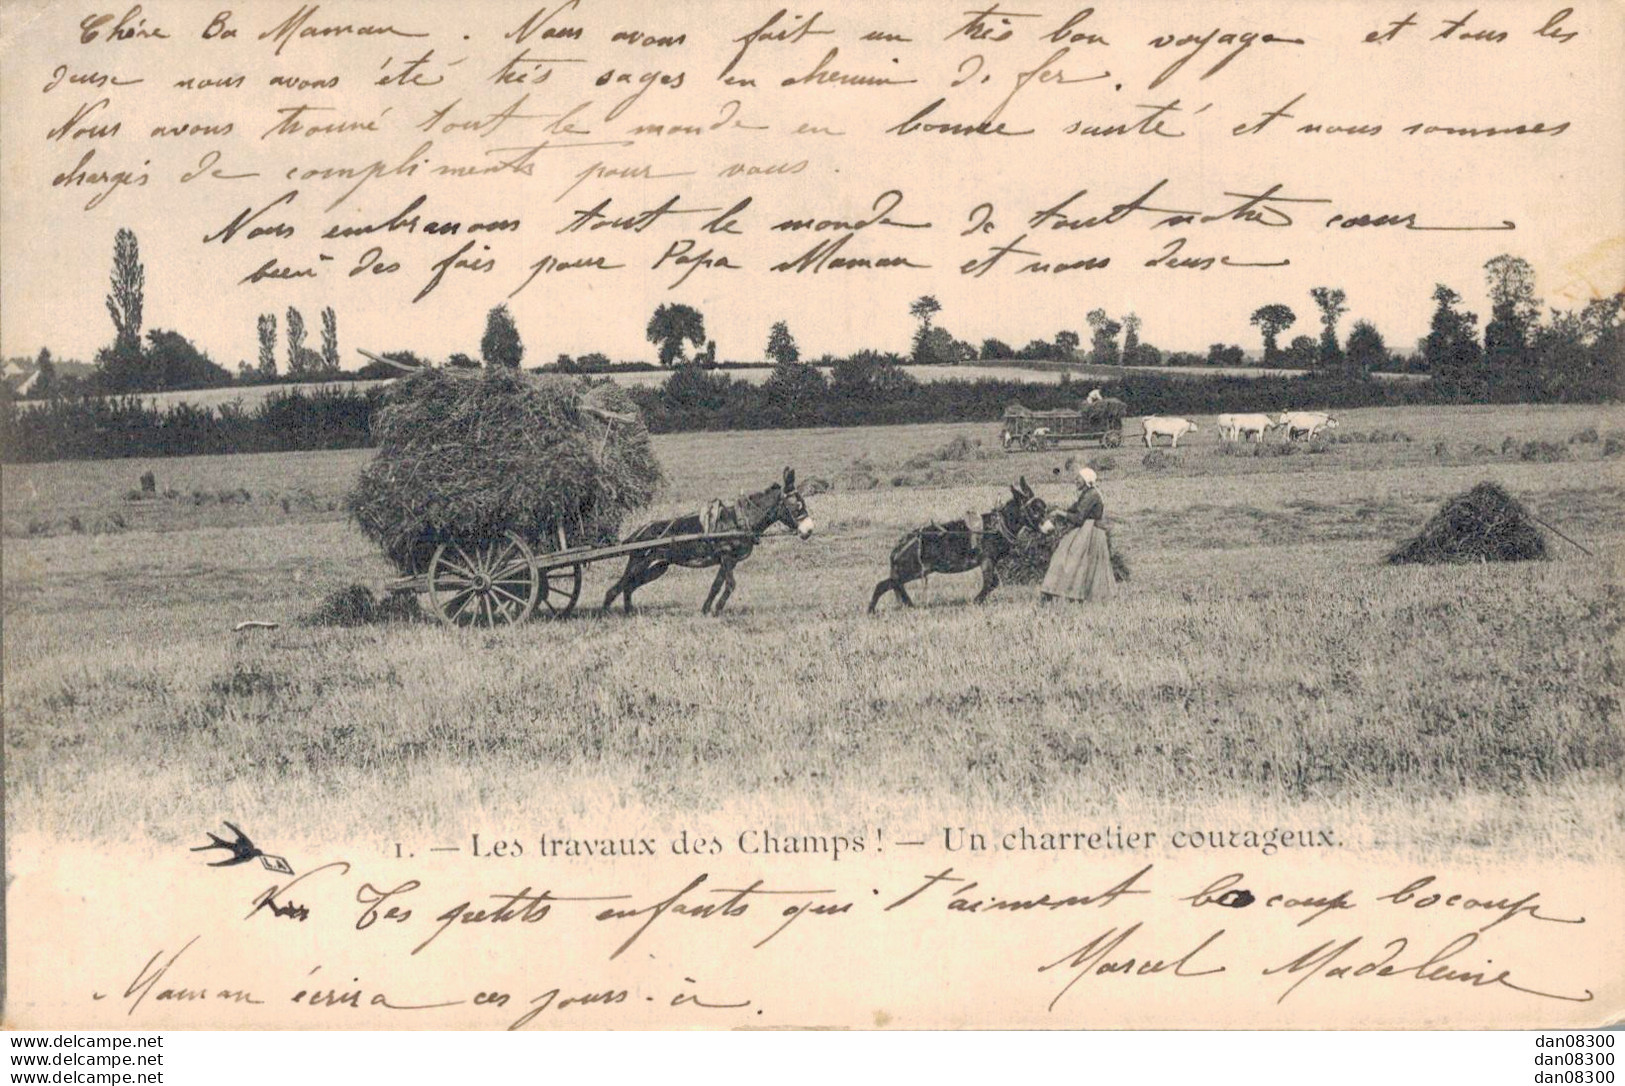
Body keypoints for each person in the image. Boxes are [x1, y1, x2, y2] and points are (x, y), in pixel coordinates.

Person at [1040, 466, 1116, 603]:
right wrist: (1055, 513)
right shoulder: (1087, 494)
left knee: (1074, 562)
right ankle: (1059, 593)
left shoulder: (1092, 495)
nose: (1076, 481)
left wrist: (1059, 513)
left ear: (1086, 480)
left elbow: (1079, 518)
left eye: (1078, 478)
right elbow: (1073, 509)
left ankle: (1067, 594)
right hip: (1085, 530)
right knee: (1074, 562)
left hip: (1090, 532)